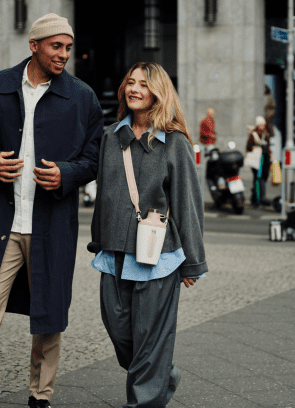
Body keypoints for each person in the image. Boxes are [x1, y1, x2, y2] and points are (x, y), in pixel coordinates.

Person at [0, 13, 103, 408]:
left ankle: (40, 396)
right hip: (2, 219)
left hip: (51, 222)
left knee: (49, 312)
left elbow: (94, 157)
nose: (64, 54)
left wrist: (66, 174)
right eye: (56, 46)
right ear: (34, 45)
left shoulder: (82, 96)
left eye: (68, 47)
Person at [88, 62, 208, 408]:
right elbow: (105, 195)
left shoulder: (175, 143)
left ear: (159, 92)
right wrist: (98, 239)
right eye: (130, 82)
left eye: (144, 84)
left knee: (149, 340)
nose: (134, 89)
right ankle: (160, 373)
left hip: (159, 255)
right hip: (114, 254)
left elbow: (187, 204)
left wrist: (192, 263)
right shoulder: (111, 137)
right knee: (122, 334)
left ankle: (144, 397)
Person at [246, 116, 271, 206]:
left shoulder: (266, 134)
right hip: (256, 160)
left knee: (261, 178)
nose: (262, 127)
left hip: (264, 160)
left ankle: (257, 197)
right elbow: (248, 147)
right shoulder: (254, 135)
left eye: (263, 125)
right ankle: (257, 198)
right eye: (260, 125)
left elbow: (268, 147)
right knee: (257, 179)